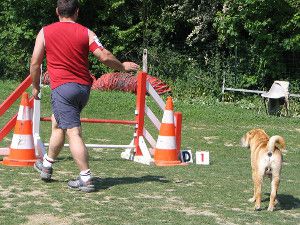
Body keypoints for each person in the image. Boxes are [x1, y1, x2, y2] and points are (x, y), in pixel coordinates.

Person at [30, 0, 139, 192]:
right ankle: (46, 166)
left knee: (73, 132)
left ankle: (86, 178)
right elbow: (104, 56)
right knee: (58, 124)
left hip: (63, 88)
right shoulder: (87, 32)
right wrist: (122, 66)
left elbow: (35, 63)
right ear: (77, 12)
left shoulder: (45, 32)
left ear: (57, 11)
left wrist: (36, 87)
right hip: (83, 89)